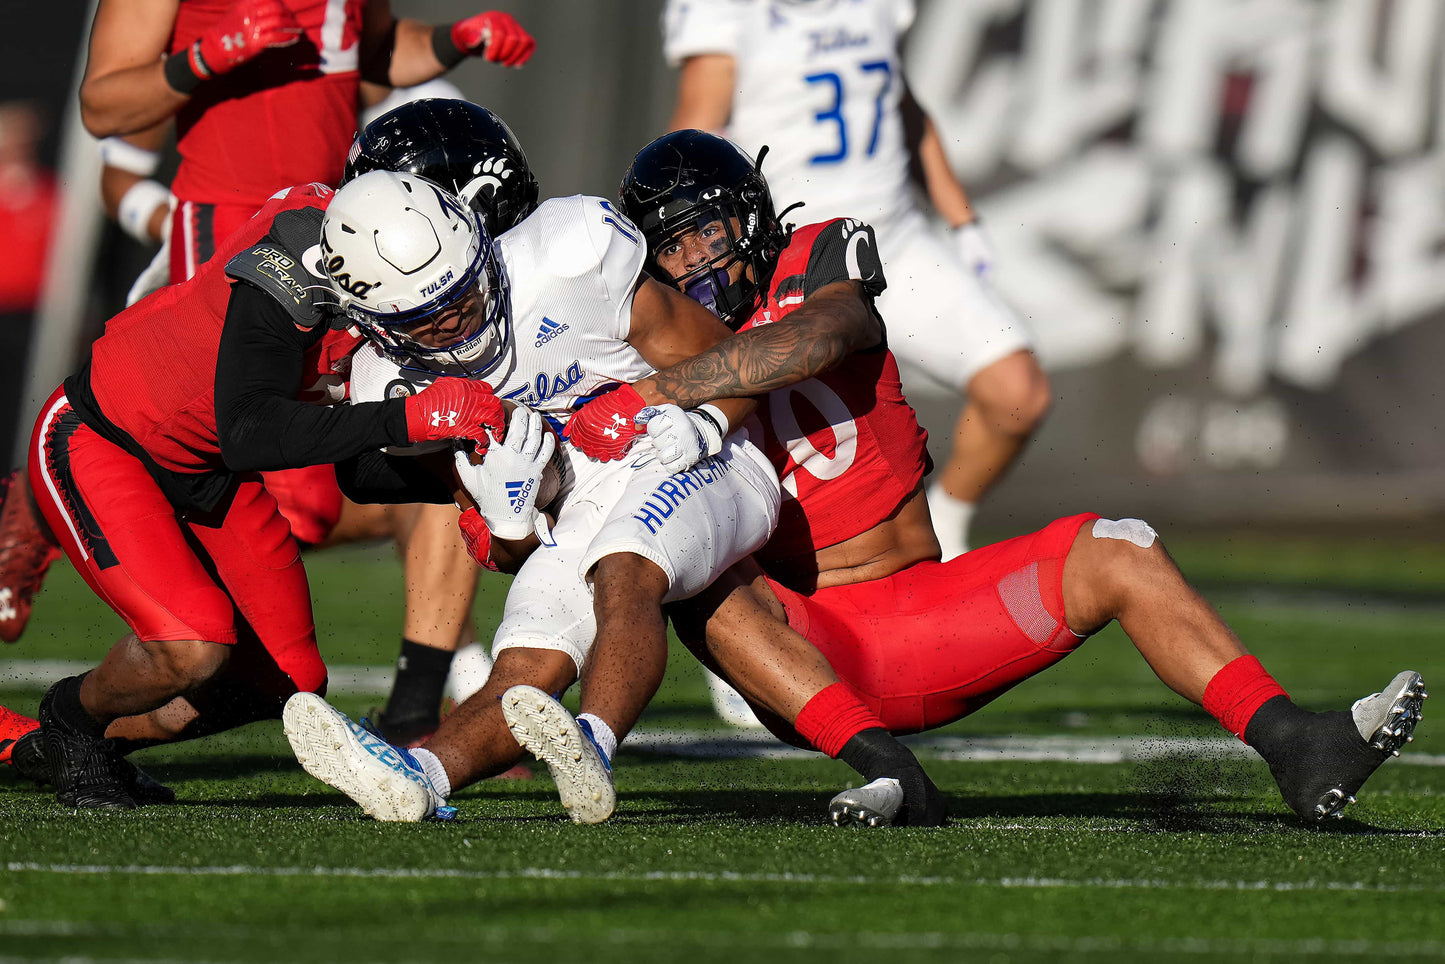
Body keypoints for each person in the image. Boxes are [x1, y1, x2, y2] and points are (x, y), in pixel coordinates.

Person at [560, 129, 1429, 826]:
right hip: (802, 642)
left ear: (747, 217)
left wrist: (658, 391)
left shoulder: (818, 259)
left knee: (1116, 548)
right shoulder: (644, 339)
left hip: (922, 620)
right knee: (697, 583)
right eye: (667, 251)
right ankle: (890, 772)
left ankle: (1296, 746)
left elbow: (814, 340)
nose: (691, 264)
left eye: (703, 233)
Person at [281, 168, 944, 825]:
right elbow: (505, 546)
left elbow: (736, 365)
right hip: (578, 503)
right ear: (379, 323)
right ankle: (419, 776)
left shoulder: (567, 259)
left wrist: (698, 418)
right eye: (429, 317)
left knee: (625, 568)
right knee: (528, 657)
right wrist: (509, 513)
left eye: (462, 291)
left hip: (688, 457)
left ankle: (592, 744)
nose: (458, 316)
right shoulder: (388, 382)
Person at [0, 0, 536, 658]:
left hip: (340, 231)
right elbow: (105, 109)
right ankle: (57, 502)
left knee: (388, 446)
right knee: (267, 474)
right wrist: (207, 56)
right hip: (235, 229)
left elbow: (374, 60)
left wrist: (456, 39)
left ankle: (426, 703)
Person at [26, 179, 507, 809]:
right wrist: (409, 420)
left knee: (289, 681)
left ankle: (87, 742)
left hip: (206, 470)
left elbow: (358, 474)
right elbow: (251, 431)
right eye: (431, 301)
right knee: (192, 646)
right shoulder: (295, 263)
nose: (449, 321)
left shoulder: (376, 274)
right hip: (106, 437)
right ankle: (69, 720)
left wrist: (466, 484)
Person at [663, 0, 1051, 563]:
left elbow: (905, 108)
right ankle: (750, 605)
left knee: (1018, 391)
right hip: (794, 256)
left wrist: (962, 219)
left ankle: (949, 516)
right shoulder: (728, 13)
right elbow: (691, 143)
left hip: (895, 241)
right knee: (765, 447)